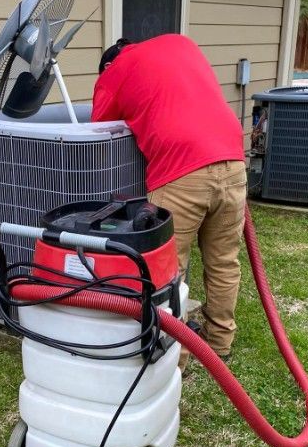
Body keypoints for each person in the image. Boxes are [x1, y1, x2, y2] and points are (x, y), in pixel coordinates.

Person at [91, 34, 247, 364]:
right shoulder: (182, 44)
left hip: (180, 170)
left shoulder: (115, 71)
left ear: (107, 64)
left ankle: (178, 355)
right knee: (223, 260)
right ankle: (219, 342)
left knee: (166, 268)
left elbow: (98, 131)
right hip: (233, 160)